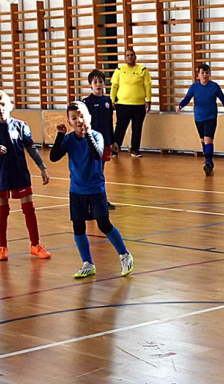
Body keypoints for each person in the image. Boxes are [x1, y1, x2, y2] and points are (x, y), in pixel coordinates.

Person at [49, 101, 134, 279]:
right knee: (78, 227)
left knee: (104, 224)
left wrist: (87, 134)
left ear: (88, 117)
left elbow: (97, 154)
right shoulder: (69, 139)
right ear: (69, 121)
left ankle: (125, 255)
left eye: (81, 116)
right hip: (77, 191)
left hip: (95, 190)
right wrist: (59, 136)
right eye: (74, 118)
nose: (79, 120)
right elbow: (54, 157)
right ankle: (87, 263)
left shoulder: (97, 136)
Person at [0, 90, 52, 262]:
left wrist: (42, 168)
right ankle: (1, 247)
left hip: (20, 173)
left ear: (10, 106)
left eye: (3, 105)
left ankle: (35, 245)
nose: (0, 109)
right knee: (2, 211)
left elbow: (31, 149)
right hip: (0, 175)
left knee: (29, 209)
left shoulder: (21, 126)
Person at [175, 64, 224, 176]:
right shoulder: (194, 87)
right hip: (199, 117)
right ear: (198, 75)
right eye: (203, 73)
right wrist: (180, 105)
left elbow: (223, 99)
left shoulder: (214, 86)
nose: (205, 75)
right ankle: (207, 160)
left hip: (210, 117)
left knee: (208, 140)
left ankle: (209, 163)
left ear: (209, 74)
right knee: (202, 140)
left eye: (207, 73)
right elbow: (187, 98)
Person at [83, 69, 117, 209]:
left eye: (100, 82)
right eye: (95, 82)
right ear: (90, 85)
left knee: (100, 173)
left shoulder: (107, 102)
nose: (98, 84)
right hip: (91, 143)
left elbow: (109, 123)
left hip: (105, 142)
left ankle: (101, 200)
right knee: (92, 172)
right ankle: (89, 200)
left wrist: (113, 141)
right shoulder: (87, 102)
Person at [110, 48, 152, 158]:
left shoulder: (143, 69)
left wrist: (148, 101)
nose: (130, 57)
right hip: (122, 104)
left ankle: (135, 150)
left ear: (135, 57)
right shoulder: (119, 69)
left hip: (138, 105)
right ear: (125, 58)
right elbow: (114, 86)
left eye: (132, 55)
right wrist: (112, 100)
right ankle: (115, 149)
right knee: (120, 128)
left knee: (137, 128)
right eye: (127, 55)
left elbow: (147, 86)